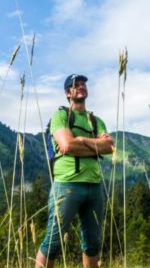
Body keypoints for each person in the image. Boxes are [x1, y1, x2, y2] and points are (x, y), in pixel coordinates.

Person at [35, 74, 114, 268]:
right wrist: (94, 144)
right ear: (67, 93)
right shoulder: (61, 115)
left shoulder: (96, 120)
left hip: (94, 185)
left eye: (83, 84)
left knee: (93, 243)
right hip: (67, 184)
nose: (80, 87)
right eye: (75, 85)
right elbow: (67, 145)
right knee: (53, 241)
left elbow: (109, 147)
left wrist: (82, 140)